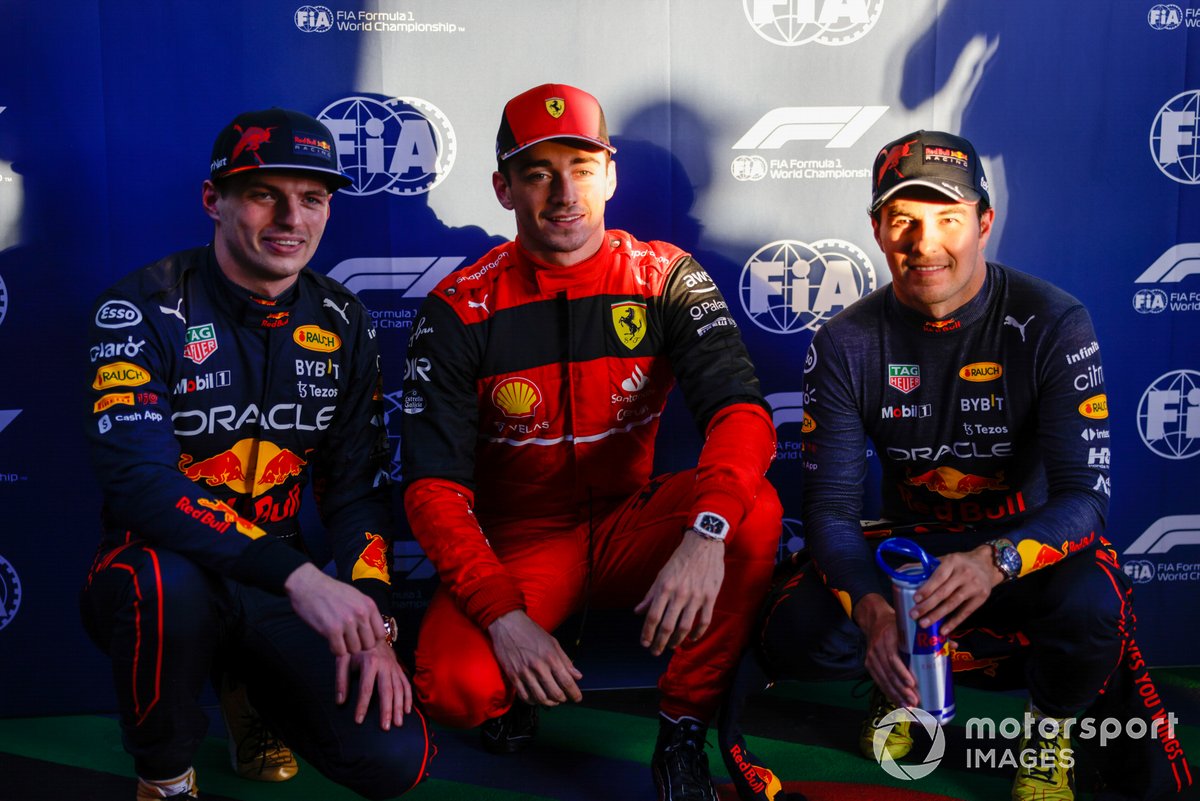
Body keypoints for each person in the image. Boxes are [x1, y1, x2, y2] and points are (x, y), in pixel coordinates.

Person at [743, 130, 1192, 801]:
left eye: (948, 219)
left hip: (1023, 547)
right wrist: (874, 609)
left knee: (1096, 601)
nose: (926, 245)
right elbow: (832, 511)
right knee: (795, 623)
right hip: (911, 554)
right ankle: (894, 688)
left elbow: (1085, 500)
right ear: (876, 228)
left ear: (984, 222)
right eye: (904, 221)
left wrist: (993, 560)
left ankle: (1049, 728)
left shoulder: (1053, 320)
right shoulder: (843, 341)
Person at [400, 83, 782, 801]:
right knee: (453, 685)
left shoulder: (664, 276)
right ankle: (511, 690)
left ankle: (681, 729)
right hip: (522, 542)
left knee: (750, 511)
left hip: (630, 522)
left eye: (579, 167)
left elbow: (741, 412)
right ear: (503, 188)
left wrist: (705, 533)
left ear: (608, 173)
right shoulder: (458, 307)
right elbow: (431, 488)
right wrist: (502, 615)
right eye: (537, 172)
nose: (563, 193)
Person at [79, 108, 431, 801]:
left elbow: (356, 484)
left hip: (275, 585)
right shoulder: (140, 307)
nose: (289, 218)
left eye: (312, 198)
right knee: (166, 584)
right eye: (265, 192)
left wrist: (372, 612)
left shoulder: (342, 318)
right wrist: (302, 578)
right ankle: (165, 776)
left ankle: (250, 694)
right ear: (215, 199)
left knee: (393, 760)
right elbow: (139, 481)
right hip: (156, 573)